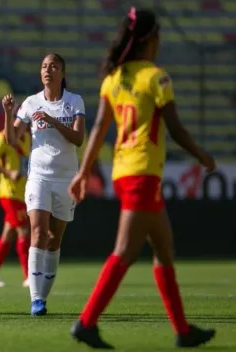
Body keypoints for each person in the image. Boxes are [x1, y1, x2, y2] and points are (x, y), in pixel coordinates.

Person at [68, 8, 216, 349]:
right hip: (142, 173)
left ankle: (182, 330)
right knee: (124, 251)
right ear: (151, 39)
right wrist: (202, 155)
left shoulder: (113, 79)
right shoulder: (156, 77)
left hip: (123, 171)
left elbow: (100, 129)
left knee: (164, 249)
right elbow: (175, 128)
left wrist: (84, 171)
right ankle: (86, 322)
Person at [3, 53, 85, 315]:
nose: (47, 70)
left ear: (62, 72)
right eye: (44, 66)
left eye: (53, 66)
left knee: (54, 239)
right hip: (38, 176)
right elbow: (11, 139)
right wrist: (7, 113)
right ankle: (36, 298)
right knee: (37, 232)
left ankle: (43, 295)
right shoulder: (30, 103)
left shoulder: (74, 102)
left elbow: (79, 138)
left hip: (66, 179)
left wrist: (51, 122)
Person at [0, 124, 31, 288]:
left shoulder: (28, 138)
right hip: (9, 193)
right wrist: (8, 172)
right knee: (24, 231)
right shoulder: (2, 137)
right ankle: (29, 276)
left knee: (8, 235)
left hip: (22, 193)